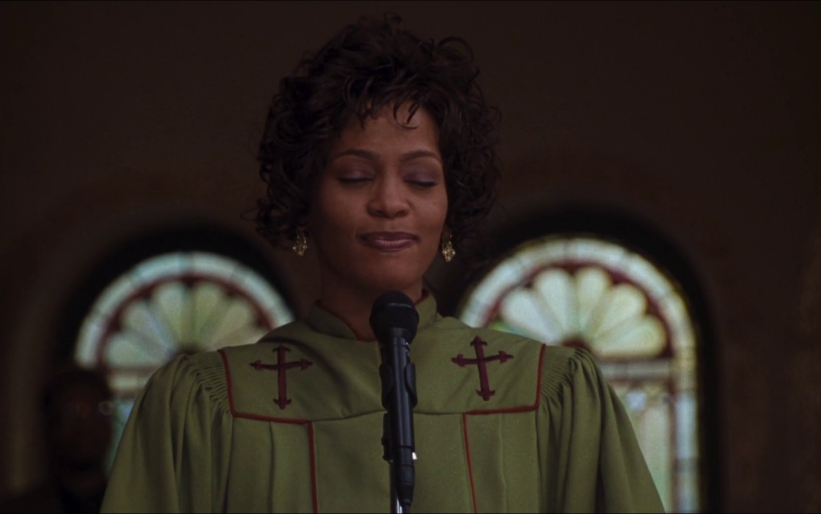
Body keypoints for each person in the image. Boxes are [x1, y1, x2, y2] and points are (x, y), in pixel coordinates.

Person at [101, 15, 663, 513]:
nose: (391, 202)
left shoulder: (549, 394)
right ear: (305, 199)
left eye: (421, 179)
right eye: (355, 177)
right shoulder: (206, 407)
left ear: (450, 206)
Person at [0, 366, 114, 513]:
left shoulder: (130, 505)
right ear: (49, 425)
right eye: (69, 414)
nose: (84, 426)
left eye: (97, 412)